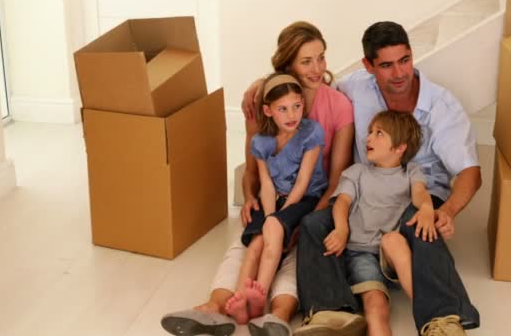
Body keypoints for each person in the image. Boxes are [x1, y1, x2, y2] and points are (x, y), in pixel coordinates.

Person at [161, 21, 355, 336]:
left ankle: (275, 315)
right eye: (307, 61)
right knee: (248, 244)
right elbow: (253, 171)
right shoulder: (261, 100)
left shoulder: (339, 106)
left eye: (321, 57)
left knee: (299, 249)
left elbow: (337, 177)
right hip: (274, 200)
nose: (318, 68)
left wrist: (309, 217)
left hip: (313, 201)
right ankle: (218, 307)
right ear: (288, 63)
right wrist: (251, 198)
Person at [294, 21, 481, 336]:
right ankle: (330, 311)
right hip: (365, 195)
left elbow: (470, 172)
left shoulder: (441, 106)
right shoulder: (353, 87)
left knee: (422, 223)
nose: (399, 73)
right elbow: (310, 88)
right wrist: (262, 87)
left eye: (405, 60)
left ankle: (443, 318)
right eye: (386, 65)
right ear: (368, 66)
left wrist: (445, 211)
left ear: (411, 55)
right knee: (313, 224)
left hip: (416, 194)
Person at [225, 73, 327, 325]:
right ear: (268, 111)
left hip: (305, 197)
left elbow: (303, 181)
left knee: (271, 227)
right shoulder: (261, 141)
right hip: (275, 198)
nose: (292, 115)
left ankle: (260, 293)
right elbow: (266, 183)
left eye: (297, 106)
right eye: (283, 109)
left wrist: (280, 219)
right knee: (257, 241)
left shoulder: (311, 133)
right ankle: (241, 300)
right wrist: (271, 215)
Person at [326, 110, 435, 336]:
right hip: (361, 253)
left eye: (379, 133)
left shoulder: (411, 172)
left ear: (399, 147)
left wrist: (426, 208)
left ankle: (430, 311)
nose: (368, 138)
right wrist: (341, 229)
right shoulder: (356, 172)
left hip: (392, 254)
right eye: (369, 133)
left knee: (393, 239)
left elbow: (420, 192)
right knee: (376, 305)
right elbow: (342, 203)